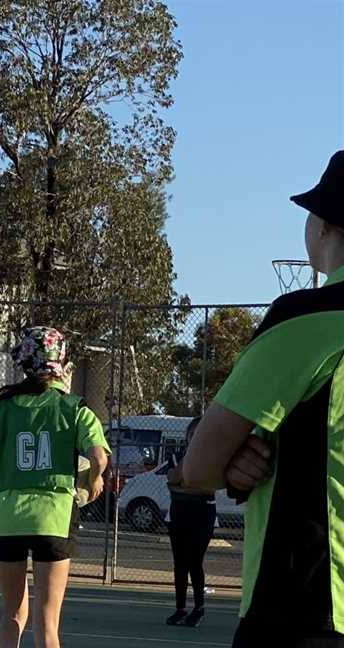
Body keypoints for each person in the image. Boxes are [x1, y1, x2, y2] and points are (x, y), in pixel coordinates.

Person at [182, 150, 344, 647]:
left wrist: (235, 464)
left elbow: (199, 467)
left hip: (307, 603)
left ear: (324, 227)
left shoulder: (307, 322)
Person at [0, 326, 110, 648]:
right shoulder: (76, 409)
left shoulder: (1, 411)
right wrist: (92, 481)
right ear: (61, 365)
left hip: (7, 516)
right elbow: (99, 458)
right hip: (55, 515)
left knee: (11, 615)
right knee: (47, 623)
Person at [165, 417, 215, 628]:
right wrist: (187, 467)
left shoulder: (212, 458)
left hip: (202, 513)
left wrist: (184, 484)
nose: (194, 438)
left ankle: (199, 608)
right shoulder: (177, 456)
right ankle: (180, 609)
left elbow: (205, 486)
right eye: (191, 435)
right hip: (179, 512)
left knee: (195, 562)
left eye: (198, 435)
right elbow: (173, 479)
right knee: (180, 563)